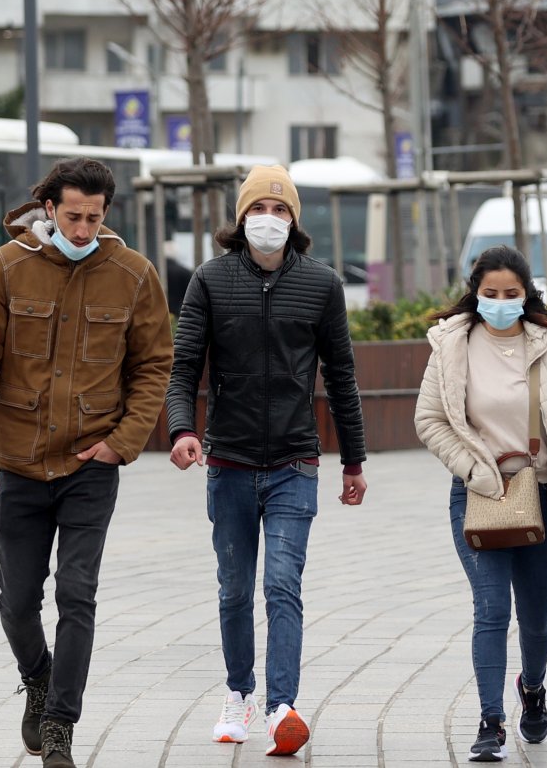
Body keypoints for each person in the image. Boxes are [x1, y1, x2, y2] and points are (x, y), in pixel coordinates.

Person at [0, 158, 174, 768]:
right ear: (49, 208)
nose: (82, 230)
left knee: (78, 594)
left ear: (106, 214)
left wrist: (122, 442)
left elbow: (155, 365)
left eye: (94, 218)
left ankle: (60, 726)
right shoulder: (7, 268)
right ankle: (39, 676)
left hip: (90, 464)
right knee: (17, 603)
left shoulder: (133, 275)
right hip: (20, 465)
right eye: (73, 216)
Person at [166, 165, 367, 756]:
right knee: (234, 589)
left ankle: (282, 706)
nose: (270, 220)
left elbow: (343, 377)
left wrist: (353, 462)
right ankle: (238, 693)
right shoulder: (209, 280)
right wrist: (182, 430)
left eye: (281, 212)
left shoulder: (321, 285)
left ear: (295, 221)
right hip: (227, 461)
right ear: (241, 218)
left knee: (282, 584)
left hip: (294, 463)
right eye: (260, 209)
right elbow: (183, 369)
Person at [414, 245, 547, 762]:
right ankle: (490, 719)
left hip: (543, 495)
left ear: (526, 294)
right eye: (489, 294)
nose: (499, 303)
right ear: (475, 293)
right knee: (492, 609)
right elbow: (429, 420)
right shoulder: (451, 345)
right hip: (477, 495)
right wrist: (473, 469)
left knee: (537, 617)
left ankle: (532, 688)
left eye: (510, 294)